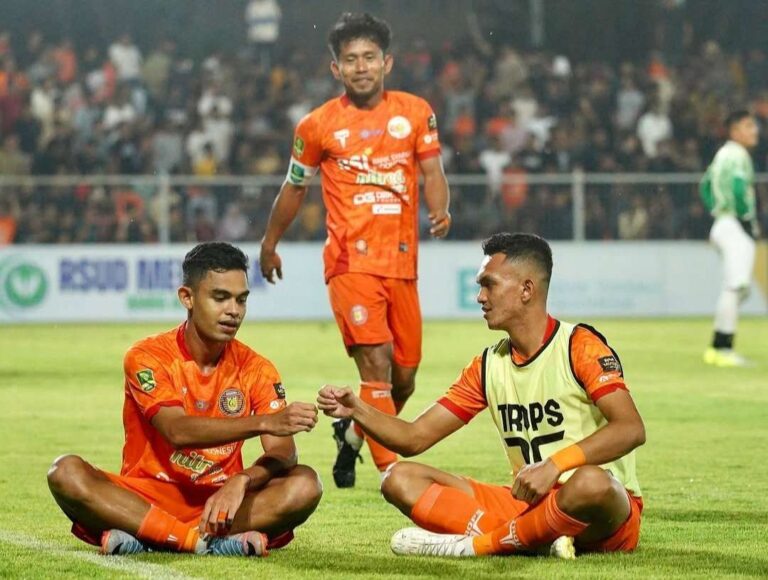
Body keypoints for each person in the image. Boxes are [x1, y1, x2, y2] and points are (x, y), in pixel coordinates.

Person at [318, 233, 646, 558]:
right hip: (528, 503)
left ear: (526, 290)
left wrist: (554, 466)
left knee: (590, 482)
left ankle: (484, 544)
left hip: (601, 511)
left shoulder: (579, 346)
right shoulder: (488, 365)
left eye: (489, 284)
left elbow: (630, 429)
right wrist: (357, 409)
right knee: (399, 479)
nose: (480, 297)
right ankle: (535, 538)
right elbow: (413, 438)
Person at [260, 13, 451, 488]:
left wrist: (440, 210)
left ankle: (353, 434)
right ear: (336, 69)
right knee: (377, 363)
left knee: (403, 379)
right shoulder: (317, 125)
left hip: (402, 265)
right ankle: (395, 474)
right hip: (350, 263)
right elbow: (294, 187)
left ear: (387, 62)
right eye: (351, 59)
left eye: (369, 57)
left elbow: (432, 172)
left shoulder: (415, 112)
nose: (361, 67)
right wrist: (269, 242)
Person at [47, 242, 322, 557]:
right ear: (187, 298)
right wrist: (264, 422)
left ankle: (151, 537)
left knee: (305, 485)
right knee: (64, 472)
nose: (233, 311)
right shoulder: (148, 356)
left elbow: (284, 453)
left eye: (241, 300)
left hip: (219, 503)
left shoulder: (256, 368)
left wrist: (242, 480)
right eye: (220, 298)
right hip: (143, 500)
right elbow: (177, 431)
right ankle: (201, 543)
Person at [700, 110, 760, 367]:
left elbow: (704, 185)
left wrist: (717, 210)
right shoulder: (738, 155)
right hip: (735, 223)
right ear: (734, 131)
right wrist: (745, 217)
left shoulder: (722, 154)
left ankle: (719, 345)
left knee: (737, 288)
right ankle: (722, 347)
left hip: (723, 222)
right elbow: (738, 187)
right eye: (748, 126)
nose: (754, 130)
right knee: (735, 287)